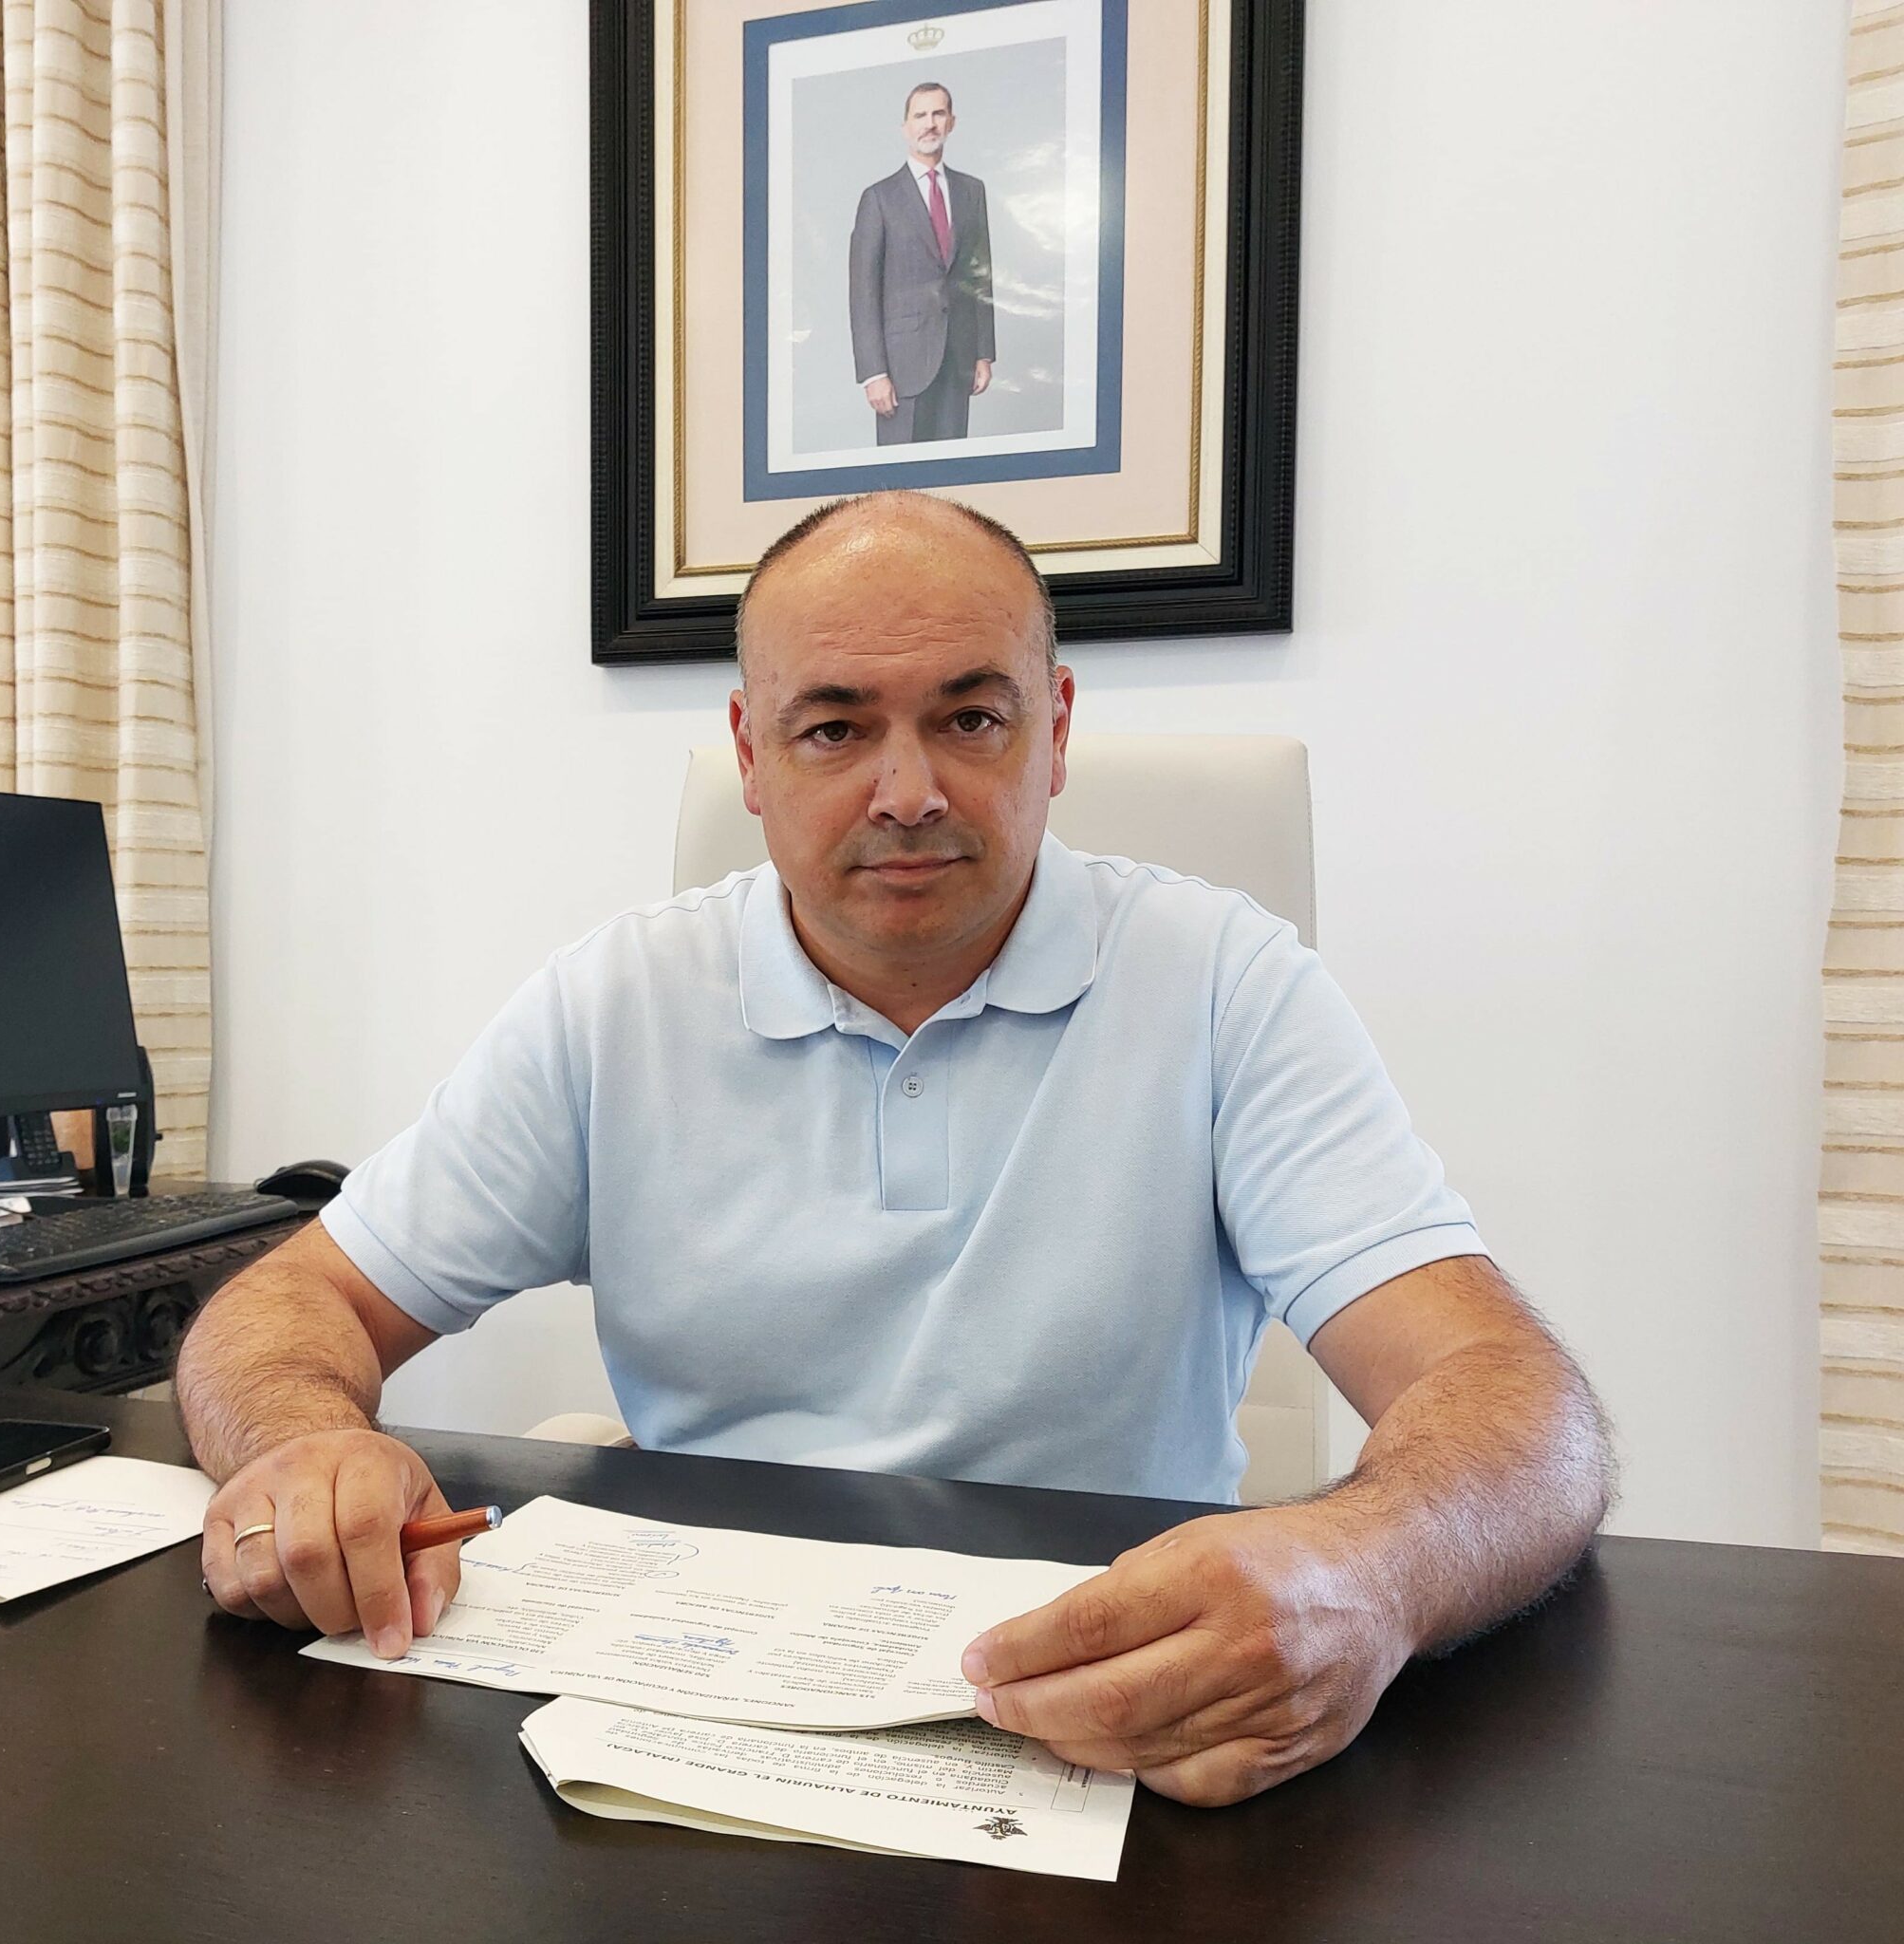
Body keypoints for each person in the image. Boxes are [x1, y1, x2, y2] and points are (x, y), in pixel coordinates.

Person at [178, 491, 1614, 1807]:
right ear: (752, 754)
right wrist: (304, 1447)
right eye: (834, 729)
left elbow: (1516, 1407)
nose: (908, 791)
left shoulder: (1226, 984)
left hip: (1112, 1710)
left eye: (971, 719)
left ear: (1055, 730)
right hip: (693, 1704)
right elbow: (293, 1302)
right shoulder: (614, 1003)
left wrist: (1371, 1570)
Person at [848, 82, 995, 444]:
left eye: (938, 114)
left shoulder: (971, 191)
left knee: (950, 474)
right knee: (902, 476)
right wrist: (873, 373)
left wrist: (983, 354)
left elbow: (980, 276)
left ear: (951, 122)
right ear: (905, 127)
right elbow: (863, 292)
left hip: (958, 361)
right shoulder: (879, 198)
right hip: (901, 369)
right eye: (920, 115)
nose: (929, 124)